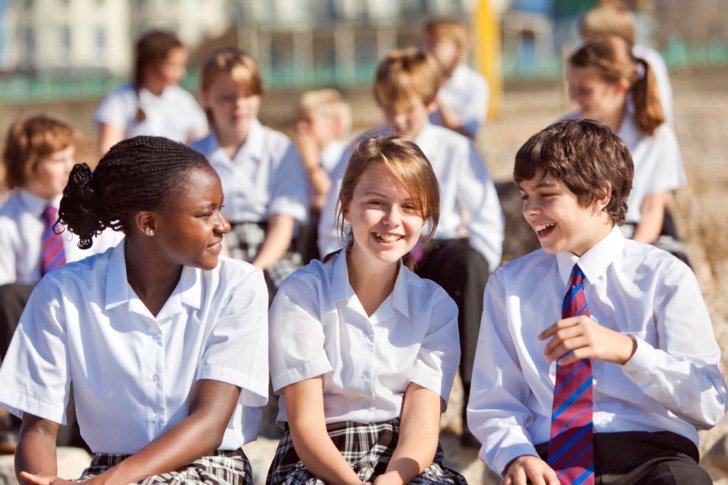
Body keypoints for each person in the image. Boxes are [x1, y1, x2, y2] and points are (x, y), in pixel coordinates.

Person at [467, 119, 727, 485]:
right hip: (548, 460)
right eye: (525, 196)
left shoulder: (664, 276)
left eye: (546, 194)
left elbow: (709, 402)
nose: (529, 210)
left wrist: (628, 350)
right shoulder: (508, 286)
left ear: (600, 196)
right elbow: (494, 402)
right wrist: (516, 455)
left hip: (653, 456)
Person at [0, 136, 269, 484]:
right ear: (148, 224)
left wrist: (103, 484)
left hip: (211, 466)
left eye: (220, 208)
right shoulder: (62, 293)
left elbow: (210, 424)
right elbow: (38, 426)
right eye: (206, 213)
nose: (223, 224)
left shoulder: (238, 285)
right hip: (106, 470)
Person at [318, 48, 503, 445]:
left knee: (469, 265)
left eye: (410, 110)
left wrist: (483, 271)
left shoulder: (456, 149)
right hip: (373, 249)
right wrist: (337, 261)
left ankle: (474, 404)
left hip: (437, 248)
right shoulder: (362, 148)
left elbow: (486, 218)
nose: (398, 120)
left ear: (432, 103)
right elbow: (335, 216)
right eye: (390, 108)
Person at [267, 135, 467, 484]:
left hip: (403, 461)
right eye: (377, 202)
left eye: (409, 207)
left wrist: (392, 479)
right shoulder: (302, 293)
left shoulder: (435, 307)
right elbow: (305, 424)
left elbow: (421, 426)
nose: (392, 219)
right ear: (346, 205)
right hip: (316, 458)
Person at [191, 47, 308, 297]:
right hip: (212, 245)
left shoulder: (279, 148)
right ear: (206, 97)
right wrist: (226, 268)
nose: (239, 105)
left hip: (271, 251)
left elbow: (282, 223)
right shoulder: (194, 154)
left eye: (247, 95)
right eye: (226, 97)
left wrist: (254, 272)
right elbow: (200, 219)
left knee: (292, 295)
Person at [565, 35, 689, 263]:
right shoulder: (562, 133)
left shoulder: (655, 136)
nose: (574, 97)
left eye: (585, 90)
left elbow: (653, 210)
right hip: (577, 242)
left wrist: (624, 258)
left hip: (635, 239)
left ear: (620, 87)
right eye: (571, 87)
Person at [94, 30, 208, 157]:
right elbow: (107, 151)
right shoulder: (120, 99)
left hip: (177, 174)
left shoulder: (184, 100)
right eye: (173, 65)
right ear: (150, 65)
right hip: (134, 174)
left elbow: (202, 144)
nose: (182, 73)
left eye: (182, 65)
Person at [579, 2, 673, 124]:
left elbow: (655, 114)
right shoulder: (604, 66)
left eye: (592, 45)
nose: (587, 51)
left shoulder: (644, 61)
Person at [292, 88, 352, 262]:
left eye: (308, 121)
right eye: (297, 120)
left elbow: (332, 199)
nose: (300, 127)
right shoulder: (296, 158)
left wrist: (312, 165)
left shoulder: (345, 156)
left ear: (335, 126)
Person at [422, 17, 489, 138]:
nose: (427, 50)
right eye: (426, 43)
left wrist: (437, 97)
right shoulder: (420, 78)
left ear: (456, 48)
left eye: (435, 44)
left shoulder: (474, 83)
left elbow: (468, 132)